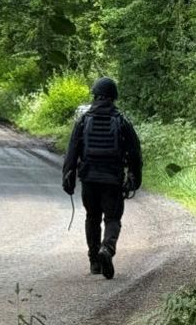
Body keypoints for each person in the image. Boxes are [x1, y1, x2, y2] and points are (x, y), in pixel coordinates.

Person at [61, 77, 142, 280]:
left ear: (95, 95)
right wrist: (134, 177)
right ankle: (107, 249)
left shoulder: (84, 120)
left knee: (92, 217)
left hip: (88, 178)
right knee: (112, 218)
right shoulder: (122, 121)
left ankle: (94, 262)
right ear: (113, 97)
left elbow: (72, 151)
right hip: (112, 179)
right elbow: (135, 153)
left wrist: (67, 176)